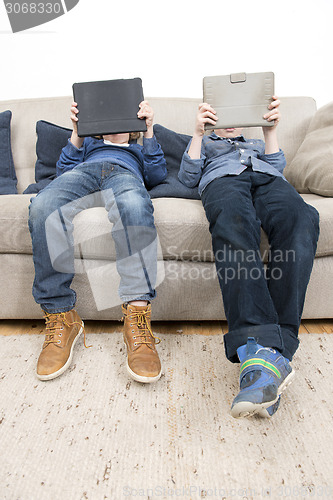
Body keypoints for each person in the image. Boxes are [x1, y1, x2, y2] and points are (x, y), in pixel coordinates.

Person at [179, 96, 319, 418]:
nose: (230, 121)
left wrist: (270, 130)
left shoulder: (256, 142)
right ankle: (265, 353)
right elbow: (187, 178)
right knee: (234, 223)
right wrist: (198, 133)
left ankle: (266, 361)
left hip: (268, 181)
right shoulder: (208, 144)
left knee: (303, 218)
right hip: (223, 182)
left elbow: (279, 167)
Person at [29, 99, 167, 384]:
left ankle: (137, 318)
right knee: (43, 206)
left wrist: (149, 129)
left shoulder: (138, 148)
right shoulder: (90, 145)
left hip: (125, 175)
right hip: (86, 172)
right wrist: (79, 131)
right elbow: (63, 170)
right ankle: (62, 317)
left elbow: (156, 175)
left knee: (134, 205)